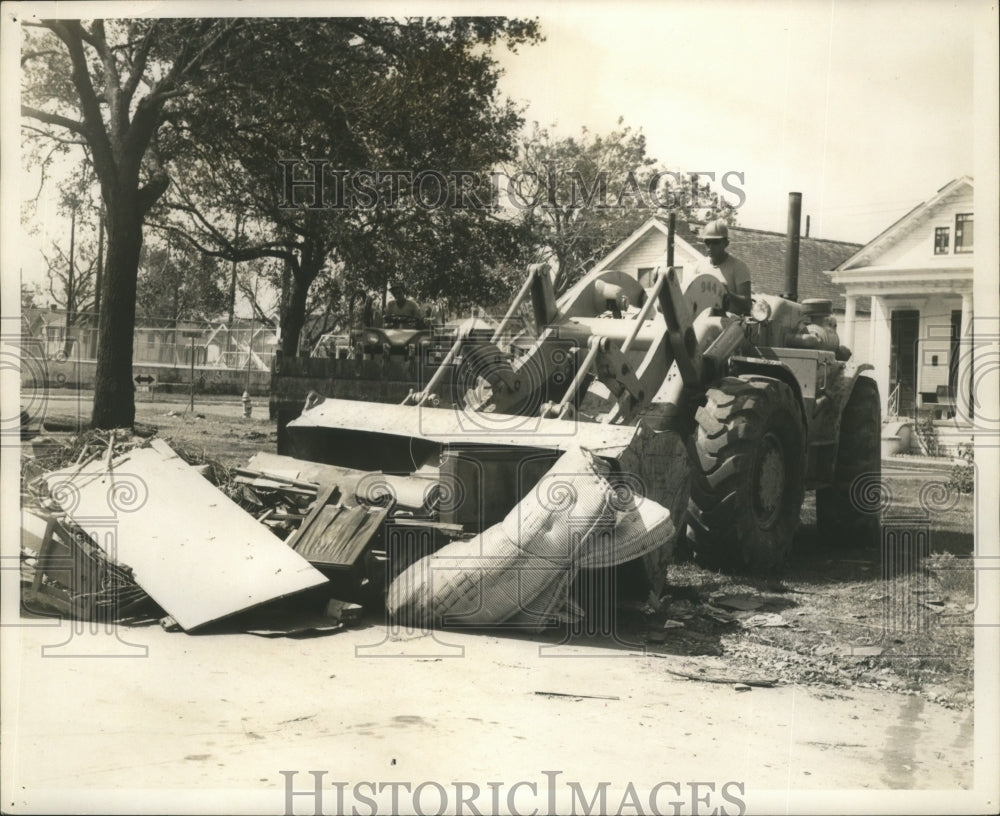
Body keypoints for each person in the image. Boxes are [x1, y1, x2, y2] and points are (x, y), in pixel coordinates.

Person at [692, 219, 752, 316]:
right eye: (707, 242)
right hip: (702, 321)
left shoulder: (739, 267)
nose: (710, 246)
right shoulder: (698, 267)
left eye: (715, 242)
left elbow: (747, 305)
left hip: (729, 323)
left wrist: (727, 293)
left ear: (726, 243)